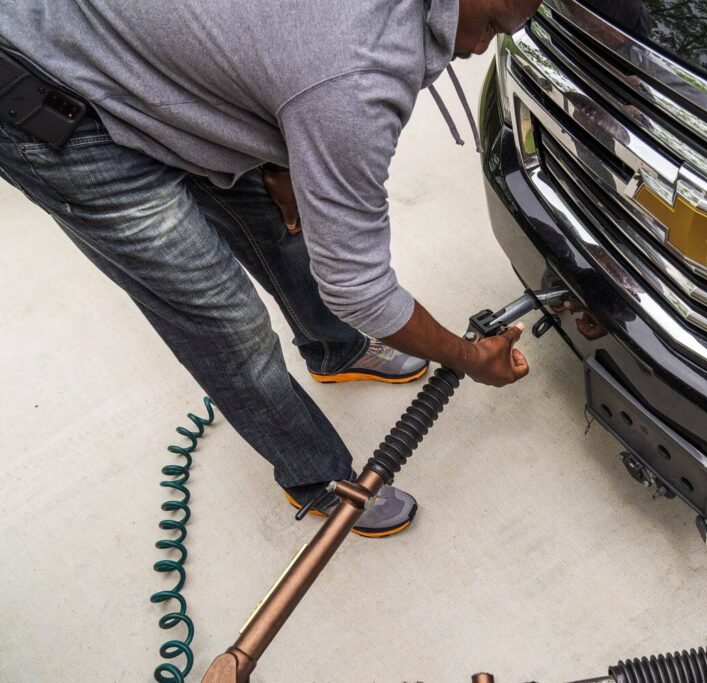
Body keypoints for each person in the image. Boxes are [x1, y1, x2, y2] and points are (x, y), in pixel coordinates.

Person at [0, 0, 541, 537]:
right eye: (491, 24)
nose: (477, 49)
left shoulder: (344, 72)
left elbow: (278, 48)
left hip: (150, 59)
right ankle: (317, 477)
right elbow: (360, 287)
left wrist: (282, 159)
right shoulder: (357, 79)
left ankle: (336, 351)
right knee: (230, 325)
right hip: (53, 101)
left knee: (280, 221)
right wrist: (469, 358)